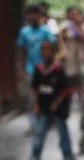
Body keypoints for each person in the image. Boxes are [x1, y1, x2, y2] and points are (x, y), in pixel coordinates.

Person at [27, 40, 76, 160]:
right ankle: (34, 159)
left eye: (48, 49)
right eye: (43, 50)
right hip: (44, 107)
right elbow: (35, 88)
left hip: (58, 109)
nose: (46, 52)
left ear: (53, 52)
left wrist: (57, 103)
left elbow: (66, 89)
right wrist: (36, 105)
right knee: (39, 134)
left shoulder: (59, 68)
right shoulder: (38, 69)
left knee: (62, 132)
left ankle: (68, 156)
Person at [17, 4, 55, 133]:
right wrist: (21, 70)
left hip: (46, 70)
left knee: (47, 95)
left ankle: (49, 121)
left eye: (36, 13)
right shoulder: (24, 32)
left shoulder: (46, 31)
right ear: (26, 16)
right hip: (30, 70)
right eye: (30, 14)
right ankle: (33, 125)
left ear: (40, 15)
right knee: (31, 98)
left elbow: (52, 49)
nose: (33, 16)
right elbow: (22, 52)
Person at [58, 6, 84, 94]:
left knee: (81, 76)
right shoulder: (65, 26)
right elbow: (60, 38)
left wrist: (79, 27)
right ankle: (70, 96)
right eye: (72, 13)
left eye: (76, 14)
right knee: (70, 76)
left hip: (81, 55)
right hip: (70, 55)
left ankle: (81, 96)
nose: (74, 16)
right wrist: (63, 50)